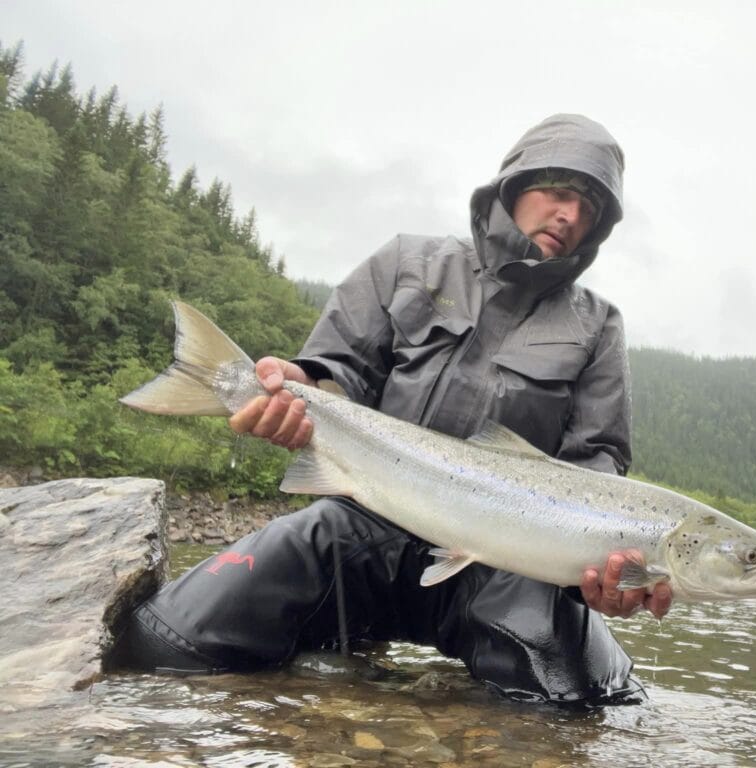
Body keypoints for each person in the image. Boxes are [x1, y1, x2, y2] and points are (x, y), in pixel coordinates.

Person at [110, 114, 672, 706]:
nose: (572, 216)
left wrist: (603, 576)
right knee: (161, 641)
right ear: (512, 186)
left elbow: (597, 470)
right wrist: (297, 385)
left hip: (510, 564)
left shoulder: (599, 325)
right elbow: (335, 372)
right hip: (364, 529)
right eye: (559, 192)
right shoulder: (409, 261)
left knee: (595, 700)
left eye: (591, 209)